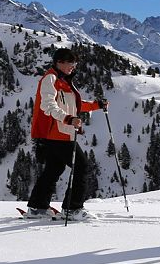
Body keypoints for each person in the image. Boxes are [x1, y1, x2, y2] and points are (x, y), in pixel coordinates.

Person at [25, 48, 107, 220]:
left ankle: (37, 208)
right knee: (82, 166)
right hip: (56, 133)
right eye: (70, 62)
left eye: (74, 63)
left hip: (61, 133)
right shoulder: (51, 79)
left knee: (54, 169)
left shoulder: (64, 81)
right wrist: (68, 119)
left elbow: (74, 105)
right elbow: (47, 106)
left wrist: (96, 105)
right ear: (59, 62)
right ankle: (73, 208)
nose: (73, 66)